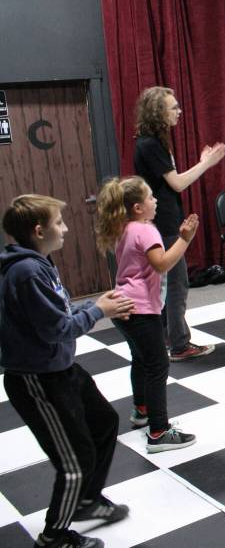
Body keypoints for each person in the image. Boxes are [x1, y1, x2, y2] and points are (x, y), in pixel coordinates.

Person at [1, 194, 135, 548]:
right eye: (59, 223)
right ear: (38, 230)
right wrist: (98, 311)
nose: (65, 229)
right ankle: (53, 537)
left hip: (60, 368)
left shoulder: (39, 263)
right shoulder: (27, 271)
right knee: (75, 461)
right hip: (37, 380)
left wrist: (95, 305)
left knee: (104, 420)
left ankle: (87, 501)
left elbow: (57, 312)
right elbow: (56, 329)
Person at [96, 177, 199, 454]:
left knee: (141, 361)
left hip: (123, 307)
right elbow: (162, 263)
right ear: (139, 207)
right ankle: (158, 431)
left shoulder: (124, 228)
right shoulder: (145, 230)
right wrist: (185, 239)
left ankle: (141, 410)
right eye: (151, 197)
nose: (156, 201)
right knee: (157, 366)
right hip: (141, 309)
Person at [133, 86, 225, 361]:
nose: (179, 112)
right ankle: (179, 344)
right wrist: (206, 164)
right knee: (176, 283)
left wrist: (201, 162)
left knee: (169, 283)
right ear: (158, 112)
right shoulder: (150, 144)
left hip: (164, 218)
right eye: (173, 107)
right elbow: (177, 182)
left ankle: (169, 338)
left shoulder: (152, 142)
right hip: (164, 222)